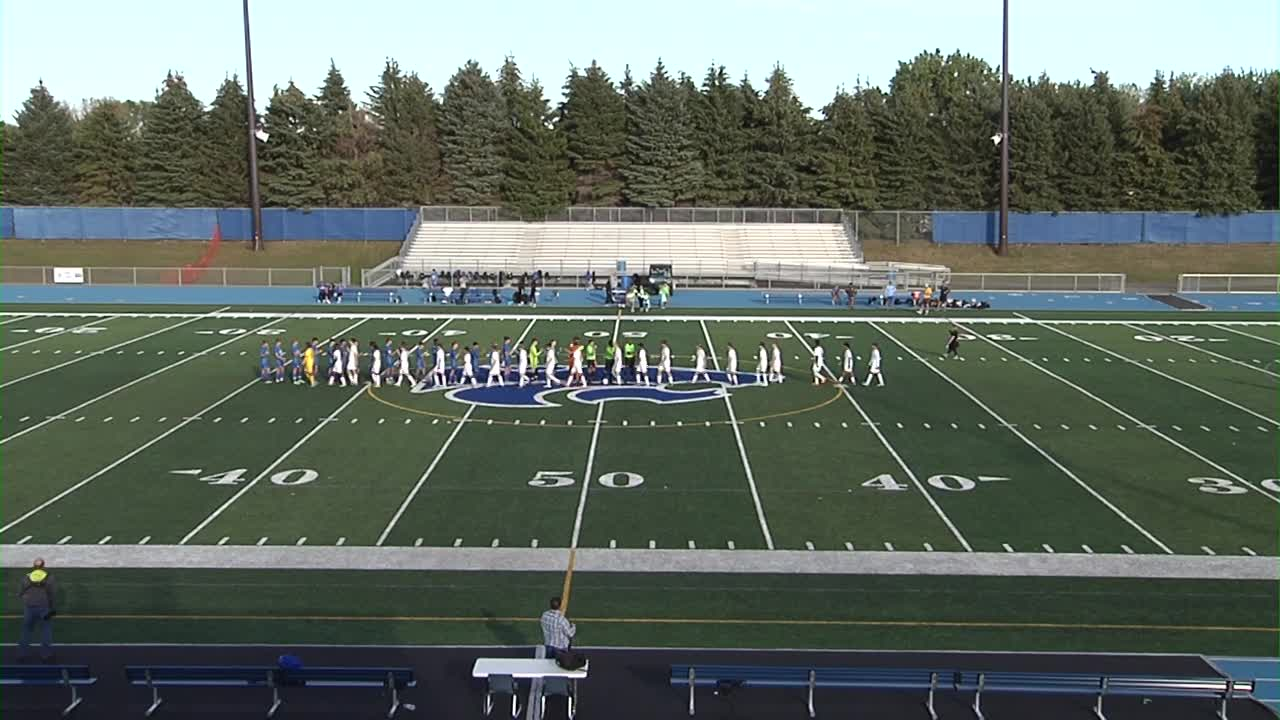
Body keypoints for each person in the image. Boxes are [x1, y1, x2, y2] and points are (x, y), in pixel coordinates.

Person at [18, 559, 55, 661]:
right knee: (45, 631)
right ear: (43, 566)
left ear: (33, 566)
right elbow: (51, 594)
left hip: (29, 608)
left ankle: (22, 655)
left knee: (26, 631)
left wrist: (27, 601)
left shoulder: (26, 577)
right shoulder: (49, 577)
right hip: (44, 607)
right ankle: (46, 655)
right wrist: (52, 607)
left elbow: (20, 593)